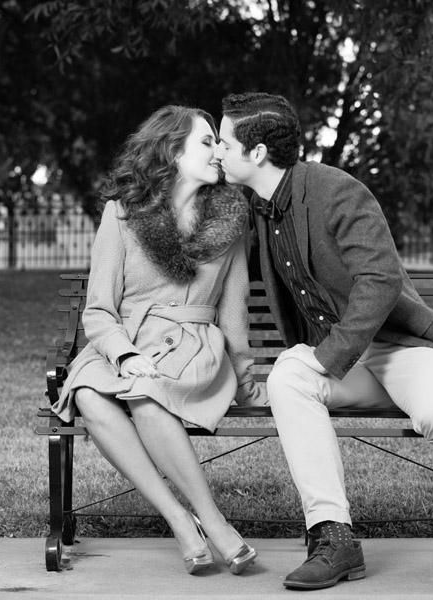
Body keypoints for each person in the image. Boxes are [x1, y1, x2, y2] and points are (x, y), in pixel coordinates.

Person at [214, 92, 433, 590]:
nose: (217, 151)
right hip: (344, 362)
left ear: (256, 153)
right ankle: (333, 536)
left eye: (223, 141)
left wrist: (332, 354)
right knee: (287, 377)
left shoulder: (336, 190)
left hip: (403, 350)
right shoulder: (258, 208)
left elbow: (380, 281)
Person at [51, 105, 265, 575]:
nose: (218, 151)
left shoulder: (230, 219)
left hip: (194, 347)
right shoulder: (123, 213)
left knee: (148, 396)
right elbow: (99, 309)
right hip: (125, 342)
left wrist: (245, 379)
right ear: (172, 149)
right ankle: (180, 521)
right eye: (207, 141)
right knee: (87, 390)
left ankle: (214, 522)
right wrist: (124, 354)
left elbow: (234, 311)